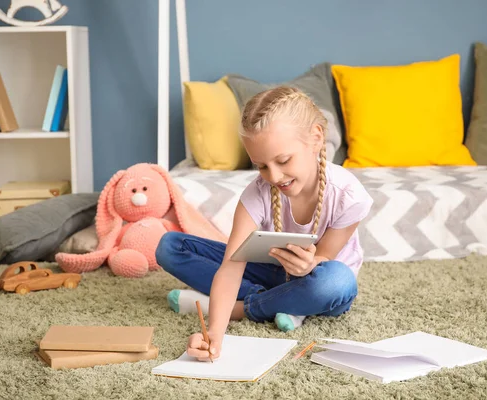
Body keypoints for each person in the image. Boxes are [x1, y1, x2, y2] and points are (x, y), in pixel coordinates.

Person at [155, 86, 373, 362]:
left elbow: (327, 256)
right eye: (261, 166)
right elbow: (231, 268)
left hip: (316, 279)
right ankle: (284, 303)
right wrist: (215, 335)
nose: (274, 176)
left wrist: (311, 263)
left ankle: (244, 308)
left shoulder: (348, 195)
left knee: (336, 283)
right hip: (269, 272)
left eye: (283, 160)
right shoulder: (255, 196)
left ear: (316, 138)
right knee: (170, 246)